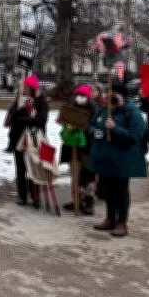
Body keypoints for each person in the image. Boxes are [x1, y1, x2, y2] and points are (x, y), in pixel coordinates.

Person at [89, 81, 148, 237]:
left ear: (123, 96)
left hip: (123, 160)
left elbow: (135, 137)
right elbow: (91, 125)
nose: (110, 98)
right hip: (105, 158)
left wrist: (115, 128)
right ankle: (110, 218)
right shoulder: (104, 111)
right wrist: (95, 132)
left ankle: (122, 222)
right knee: (108, 190)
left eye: (114, 95)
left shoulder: (132, 113)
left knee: (120, 191)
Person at [7, 74, 49, 207]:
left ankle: (35, 196)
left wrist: (26, 119)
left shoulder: (40, 101)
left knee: (34, 168)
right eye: (23, 87)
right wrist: (20, 109)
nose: (24, 89)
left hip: (35, 140)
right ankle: (22, 195)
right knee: (20, 169)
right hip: (19, 139)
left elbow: (41, 119)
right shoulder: (18, 100)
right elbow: (13, 117)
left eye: (26, 87)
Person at [60, 85, 97, 214]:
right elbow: (63, 122)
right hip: (72, 147)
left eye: (83, 95)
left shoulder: (93, 110)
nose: (80, 98)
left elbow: (95, 129)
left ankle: (89, 201)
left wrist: (83, 127)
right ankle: (77, 200)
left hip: (88, 148)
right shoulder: (70, 108)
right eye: (78, 95)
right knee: (76, 175)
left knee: (89, 175)